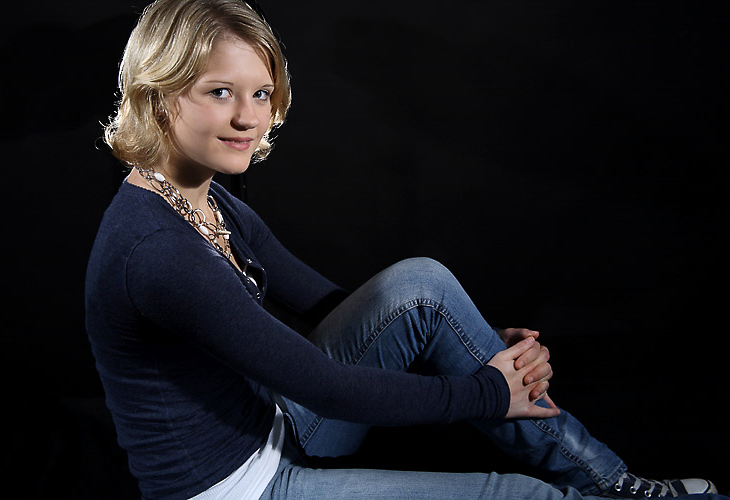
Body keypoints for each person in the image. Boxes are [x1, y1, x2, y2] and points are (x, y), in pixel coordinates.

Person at [84, 1, 723, 499]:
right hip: (239, 487)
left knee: (422, 286)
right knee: (522, 495)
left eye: (260, 92)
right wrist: (484, 391)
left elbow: (327, 306)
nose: (249, 118)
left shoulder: (205, 200)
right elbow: (326, 388)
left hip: (273, 422)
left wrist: (468, 342)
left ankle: (616, 486)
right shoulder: (155, 251)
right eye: (220, 92)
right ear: (159, 94)